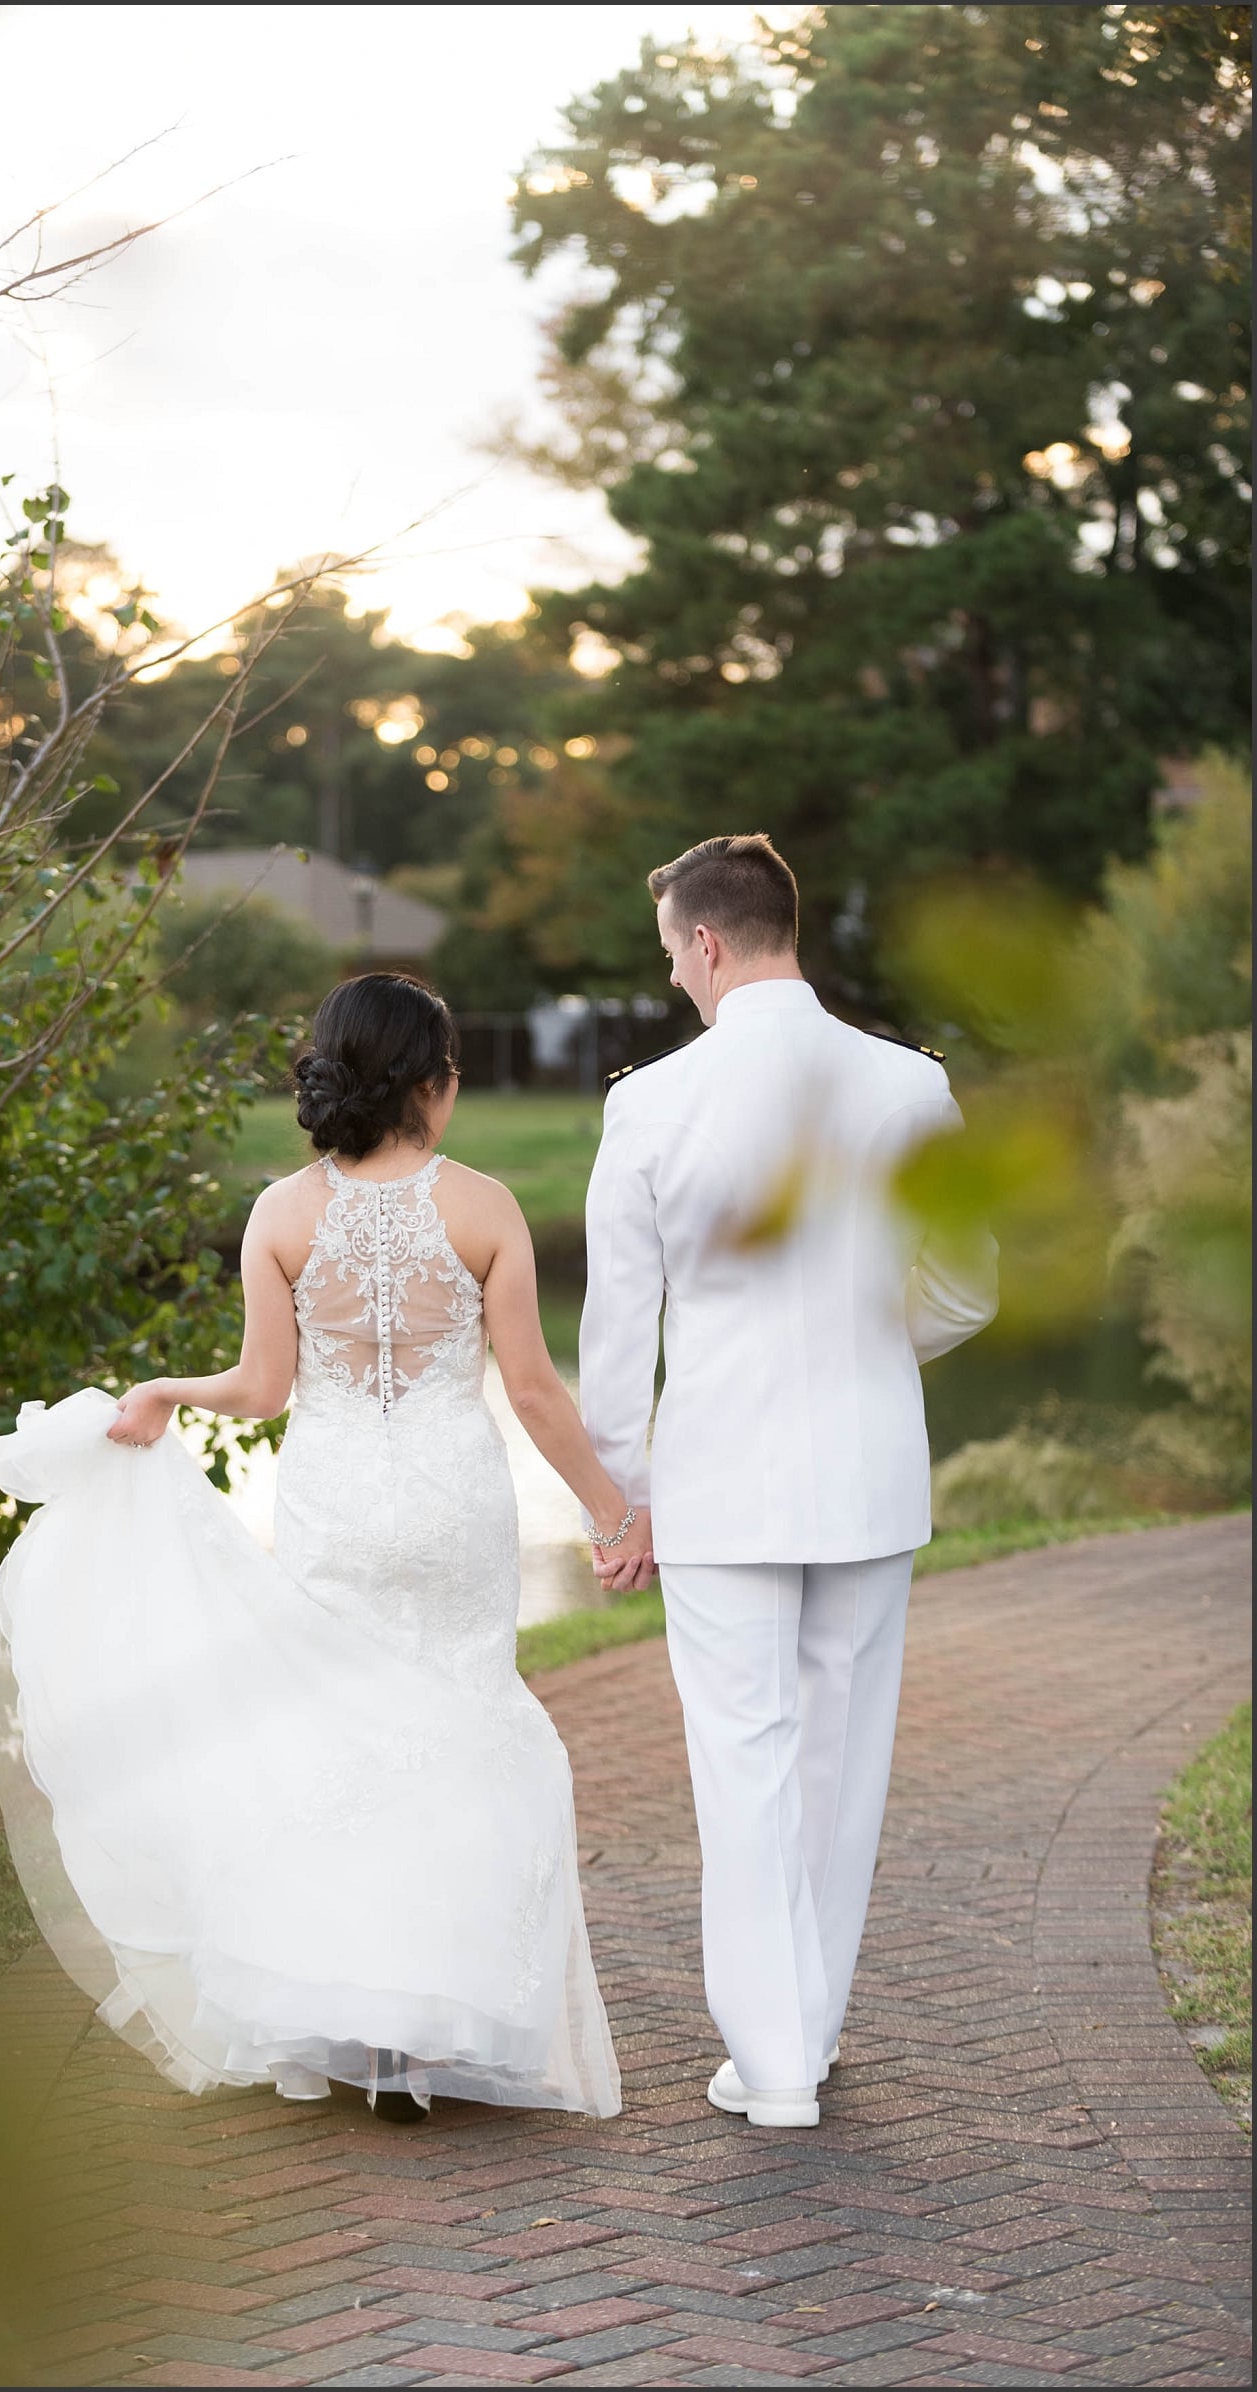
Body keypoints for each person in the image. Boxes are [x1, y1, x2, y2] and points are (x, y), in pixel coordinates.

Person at [0, 973, 627, 2126]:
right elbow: (530, 1386)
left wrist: (169, 1389)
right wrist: (607, 1509)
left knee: (346, 1738)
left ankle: (366, 2022)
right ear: (430, 1081)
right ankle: (430, 2031)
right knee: (460, 1724)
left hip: (334, 1501)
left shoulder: (282, 1212)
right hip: (448, 1499)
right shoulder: (483, 1207)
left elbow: (264, 1388)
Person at [580, 834, 998, 2130]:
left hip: (717, 1485)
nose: (675, 984)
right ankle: (804, 2042)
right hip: (868, 1474)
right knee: (840, 1762)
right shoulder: (911, 1085)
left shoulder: (648, 1103)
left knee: (742, 1765)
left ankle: (770, 2071)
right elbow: (969, 1289)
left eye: (671, 959)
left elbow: (616, 1340)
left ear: (707, 942)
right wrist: (874, 1350)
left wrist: (623, 1496)